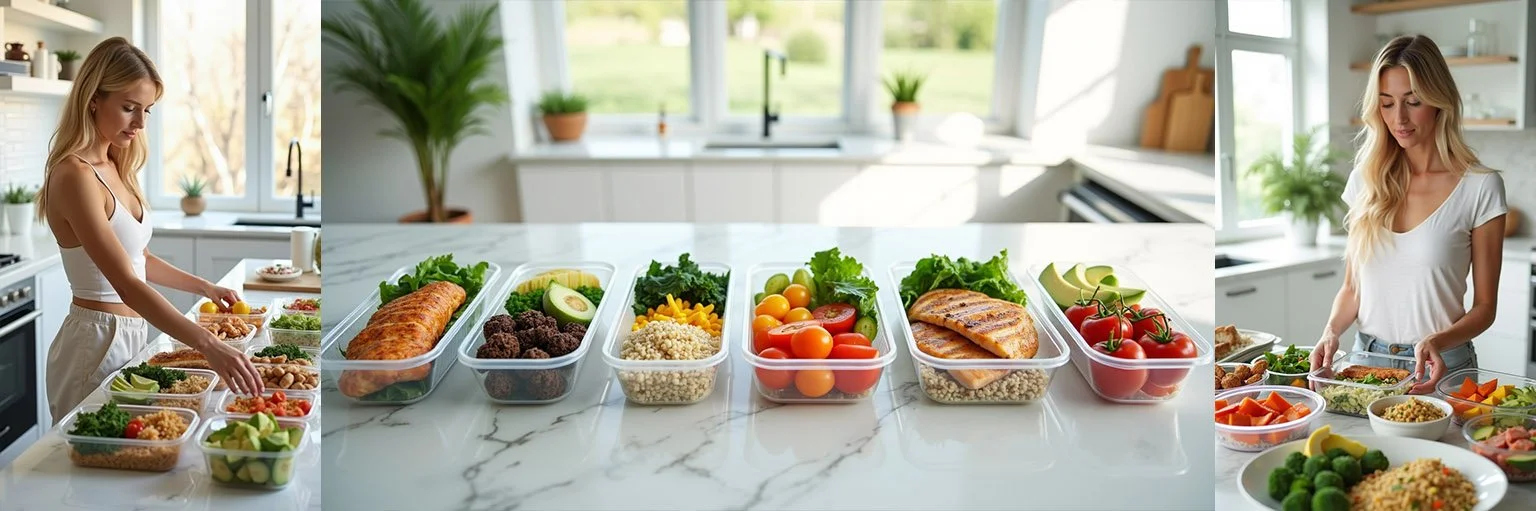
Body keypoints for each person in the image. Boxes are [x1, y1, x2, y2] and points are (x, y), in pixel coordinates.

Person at [38, 37, 263, 423]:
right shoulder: (74, 175)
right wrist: (207, 343)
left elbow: (137, 258)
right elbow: (125, 283)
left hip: (129, 334)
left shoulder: (115, 164)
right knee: (91, 466)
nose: (140, 123)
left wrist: (204, 287)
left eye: (147, 110)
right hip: (93, 343)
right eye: (129, 108)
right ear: (94, 98)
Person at [1311, 35, 1506, 394]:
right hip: (1365, 364)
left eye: (1413, 102)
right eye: (1386, 103)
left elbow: (1485, 307)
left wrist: (1438, 339)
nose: (1398, 118)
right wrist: (1331, 330)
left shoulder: (1481, 187)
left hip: (1442, 366)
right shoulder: (1365, 181)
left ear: (1438, 101)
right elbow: (1353, 288)